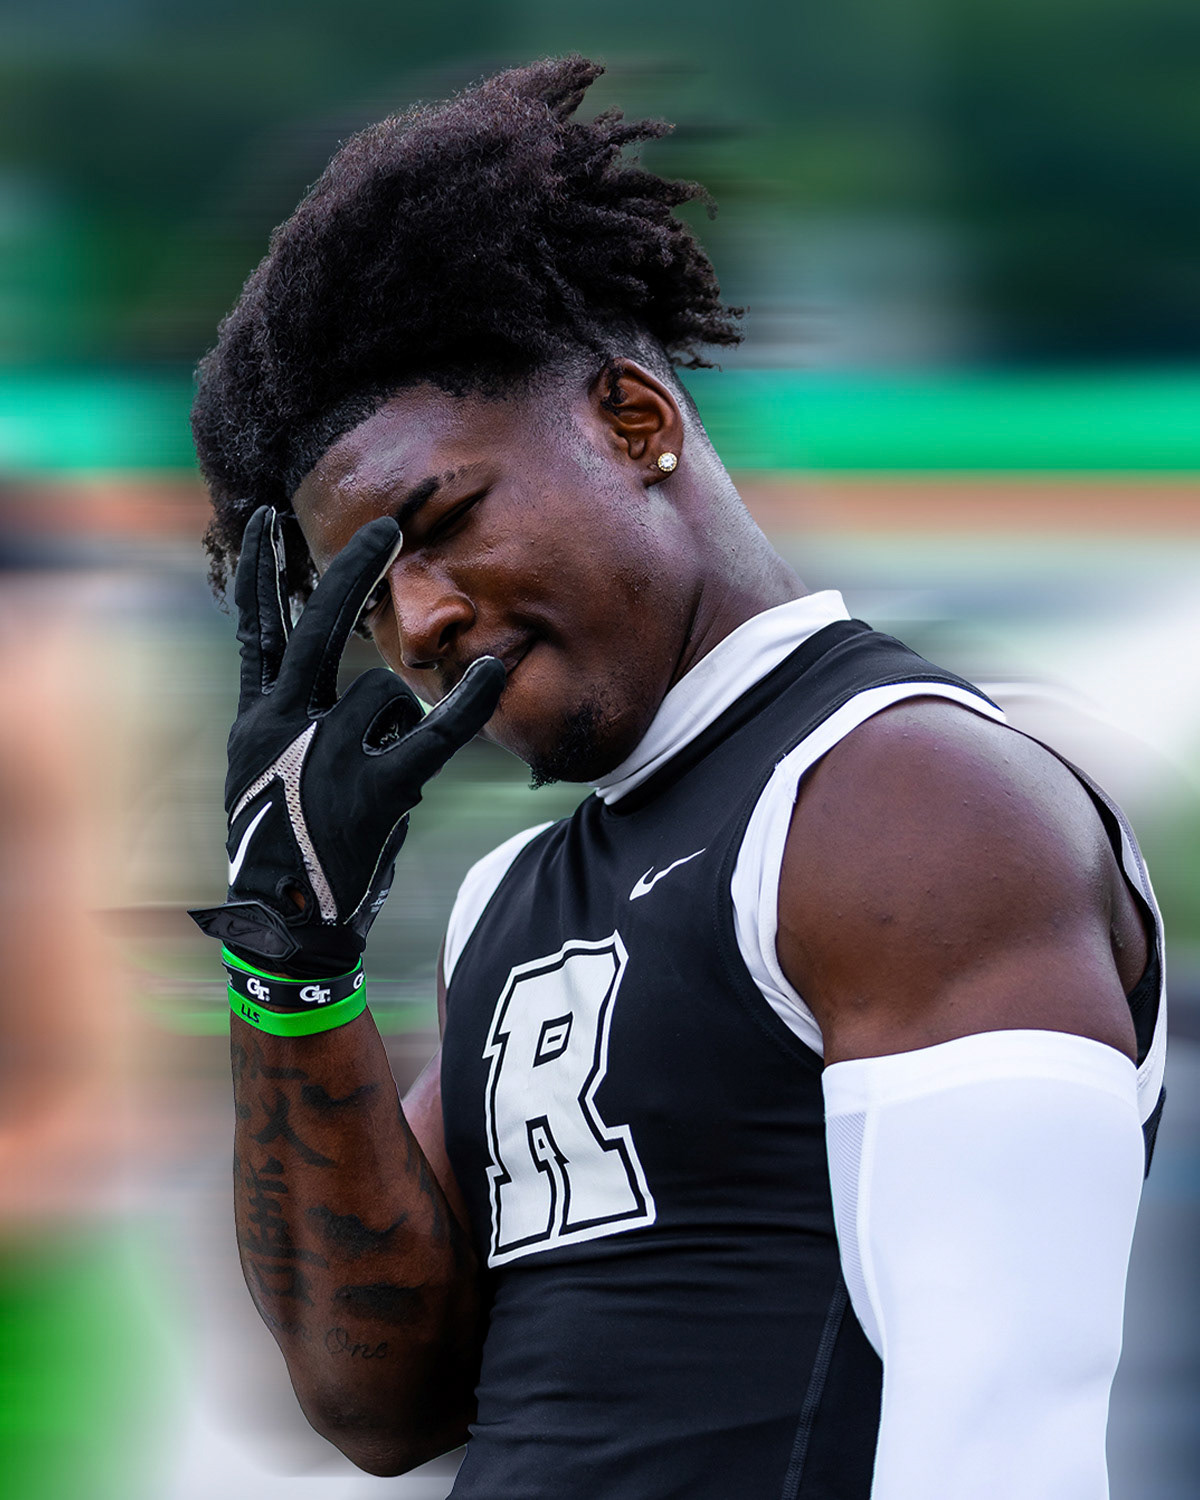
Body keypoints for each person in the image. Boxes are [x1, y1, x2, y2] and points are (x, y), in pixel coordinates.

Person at [187, 56, 1166, 1499]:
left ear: (633, 422)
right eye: (374, 599)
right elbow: (375, 1403)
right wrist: (291, 964)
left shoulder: (907, 801)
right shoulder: (510, 896)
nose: (423, 621)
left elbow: (1004, 1431)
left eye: (441, 525)